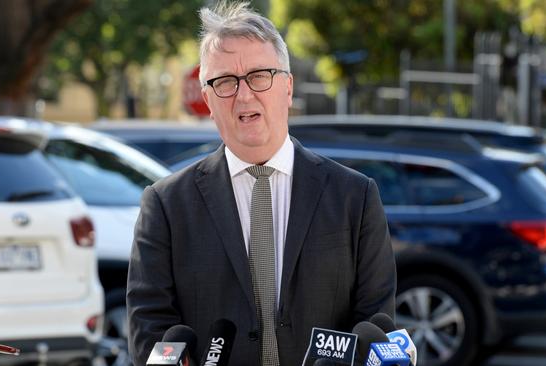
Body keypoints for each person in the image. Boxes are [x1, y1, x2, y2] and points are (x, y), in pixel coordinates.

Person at [126, 2, 396, 365]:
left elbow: (375, 320)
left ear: (287, 87)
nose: (244, 94)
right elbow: (149, 331)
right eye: (224, 81)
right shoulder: (165, 206)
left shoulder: (355, 198)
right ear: (207, 98)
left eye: (259, 75)